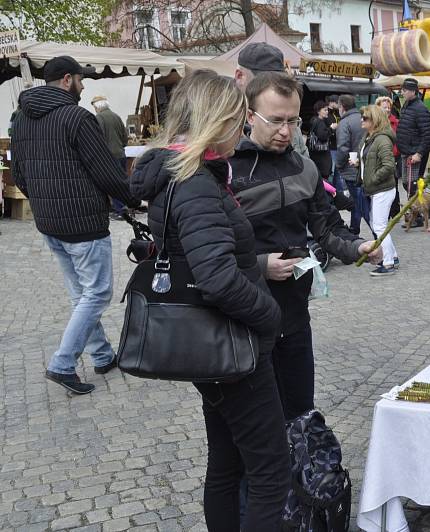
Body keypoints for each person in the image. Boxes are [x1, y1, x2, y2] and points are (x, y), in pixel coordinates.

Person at [130, 70, 289, 531]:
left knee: (227, 462)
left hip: (214, 346)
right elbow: (217, 278)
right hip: (230, 345)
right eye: (238, 118)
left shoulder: (182, 173)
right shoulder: (195, 181)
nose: (242, 128)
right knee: (268, 470)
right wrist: (268, 315)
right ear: (215, 119)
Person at [229, 72, 381, 420]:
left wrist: (356, 247)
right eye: (276, 121)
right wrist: (261, 264)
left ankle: (301, 474)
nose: (286, 131)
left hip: (295, 315)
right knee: (259, 424)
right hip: (245, 318)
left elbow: (326, 228)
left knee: (300, 413)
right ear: (250, 116)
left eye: (293, 121)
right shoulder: (226, 171)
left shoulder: (306, 168)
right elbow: (211, 253)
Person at [11, 55, 139, 394]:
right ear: (67, 79)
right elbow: (106, 172)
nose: (83, 86)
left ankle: (102, 355)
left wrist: (41, 202)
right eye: (81, 80)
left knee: (81, 294)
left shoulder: (19, 119)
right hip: (83, 224)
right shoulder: (77, 117)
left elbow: (19, 174)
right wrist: (135, 199)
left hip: (49, 223)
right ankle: (63, 363)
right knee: (96, 294)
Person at [234, 42, 308, 157]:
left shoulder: (290, 127)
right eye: (263, 80)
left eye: (278, 80)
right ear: (239, 76)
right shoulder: (217, 124)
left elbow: (304, 165)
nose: (272, 86)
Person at [356, 105, 399, 276]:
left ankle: (388, 263)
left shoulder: (382, 139)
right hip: (375, 188)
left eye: (365, 118)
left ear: (375, 120)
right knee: (378, 224)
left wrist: (372, 179)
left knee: (379, 226)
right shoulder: (369, 137)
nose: (362, 120)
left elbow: (389, 165)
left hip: (382, 188)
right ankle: (393, 257)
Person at [336, 94, 370, 235]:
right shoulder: (364, 118)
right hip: (364, 165)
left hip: (351, 168)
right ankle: (355, 227)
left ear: (342, 107)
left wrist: (338, 164)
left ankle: (373, 230)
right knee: (359, 200)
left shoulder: (344, 123)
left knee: (358, 202)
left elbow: (343, 147)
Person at [396, 78, 430, 204]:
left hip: (415, 152)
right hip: (406, 151)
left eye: (404, 90)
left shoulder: (420, 108)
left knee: (412, 185)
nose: (402, 92)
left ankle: (417, 213)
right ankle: (417, 210)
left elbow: (427, 134)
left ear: (413, 91)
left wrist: (419, 153)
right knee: (407, 183)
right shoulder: (407, 105)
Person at [92, 95, 129, 220]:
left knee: (113, 183)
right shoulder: (116, 116)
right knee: (121, 181)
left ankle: (120, 210)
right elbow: (125, 137)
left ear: (97, 107)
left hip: (109, 156)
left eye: (94, 107)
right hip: (121, 154)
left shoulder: (99, 118)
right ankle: (123, 207)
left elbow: (98, 139)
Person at [376, 95, 402, 218]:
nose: (387, 110)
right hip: (378, 158)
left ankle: (395, 212)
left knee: (393, 185)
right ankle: (384, 212)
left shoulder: (395, 122)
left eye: (388, 107)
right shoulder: (374, 123)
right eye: (384, 107)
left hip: (393, 157)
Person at [308, 100, 334, 183]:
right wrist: (331, 129)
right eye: (325, 110)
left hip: (315, 154)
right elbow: (322, 136)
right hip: (321, 156)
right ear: (318, 111)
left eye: (327, 110)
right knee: (323, 179)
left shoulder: (314, 120)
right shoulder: (320, 123)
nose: (327, 112)